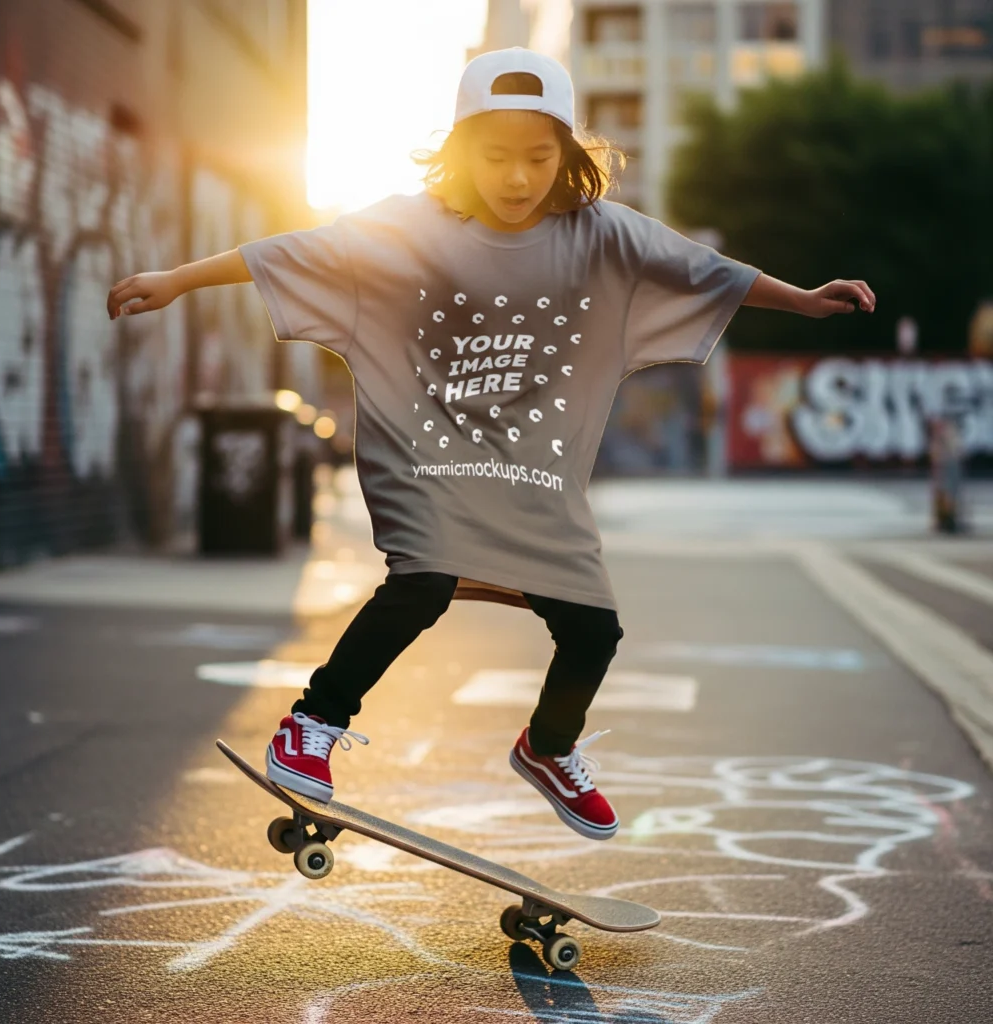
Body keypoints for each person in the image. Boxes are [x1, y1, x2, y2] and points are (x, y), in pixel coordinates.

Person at [106, 48, 875, 841]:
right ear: (462, 150)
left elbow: (706, 271)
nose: (518, 177)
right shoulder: (410, 225)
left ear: (567, 155)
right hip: (428, 457)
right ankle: (312, 724)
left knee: (592, 630)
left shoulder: (603, 234)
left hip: (533, 476)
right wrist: (177, 280)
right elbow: (293, 251)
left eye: (539, 157)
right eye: (496, 156)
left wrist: (804, 301)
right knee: (423, 581)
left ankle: (548, 748)